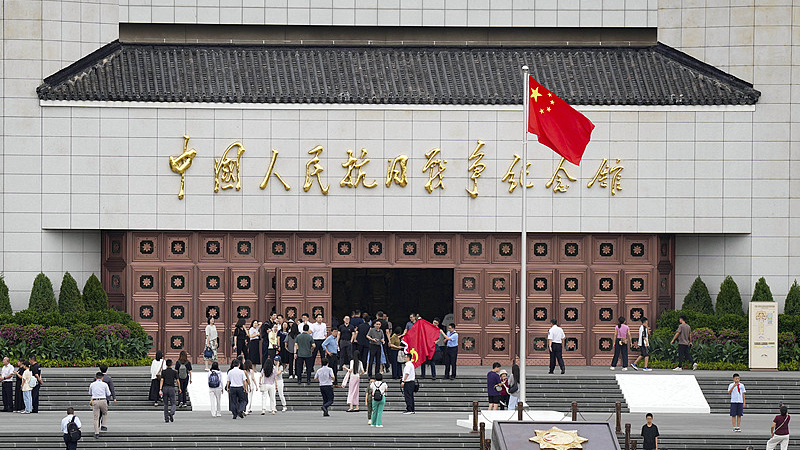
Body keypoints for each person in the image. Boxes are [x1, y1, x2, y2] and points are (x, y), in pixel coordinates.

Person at [88, 371, 111, 437]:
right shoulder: (105, 384)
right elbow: (108, 393)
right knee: (104, 413)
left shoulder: (92, 384)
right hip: (103, 400)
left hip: (95, 401)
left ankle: (96, 433)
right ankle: (103, 425)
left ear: (96, 377)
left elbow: (90, 393)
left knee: (96, 418)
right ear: (102, 378)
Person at [159, 359, 179, 423]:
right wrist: (179, 387)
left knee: (165, 404)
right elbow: (177, 380)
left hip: (165, 388)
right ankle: (172, 412)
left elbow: (162, 380)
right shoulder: (174, 372)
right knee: (173, 403)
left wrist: (160, 389)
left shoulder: (163, 372)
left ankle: (166, 418)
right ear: (171, 364)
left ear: (166, 364)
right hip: (172, 388)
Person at [98, 364, 116, 429]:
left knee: (97, 412)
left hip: (97, 397)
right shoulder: (108, 378)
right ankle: (103, 425)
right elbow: (112, 388)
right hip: (106, 398)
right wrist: (114, 397)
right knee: (104, 412)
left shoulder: (96, 378)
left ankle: (97, 424)